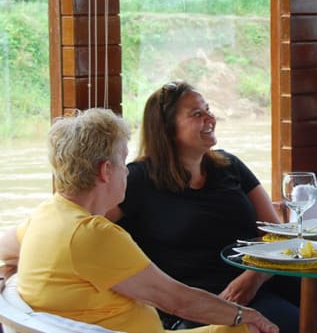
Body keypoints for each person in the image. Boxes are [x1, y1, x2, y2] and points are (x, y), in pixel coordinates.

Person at [0, 108, 278, 333]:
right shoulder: (93, 234)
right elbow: (176, 301)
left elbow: (5, 248)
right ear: (106, 170)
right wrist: (245, 314)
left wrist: (9, 272)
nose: (128, 171)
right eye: (123, 161)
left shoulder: (45, 215)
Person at [106, 81, 299, 332]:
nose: (211, 117)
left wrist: (254, 276)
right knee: (295, 323)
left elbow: (277, 234)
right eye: (197, 114)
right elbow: (94, 228)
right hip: (201, 302)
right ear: (167, 128)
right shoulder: (139, 179)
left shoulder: (230, 166)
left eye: (208, 109)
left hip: (261, 280)